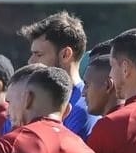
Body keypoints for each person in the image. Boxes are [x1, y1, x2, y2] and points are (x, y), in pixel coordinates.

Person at [18, 11, 100, 140]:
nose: (30, 61)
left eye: (39, 54)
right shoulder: (27, 101)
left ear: (65, 54)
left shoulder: (82, 109)